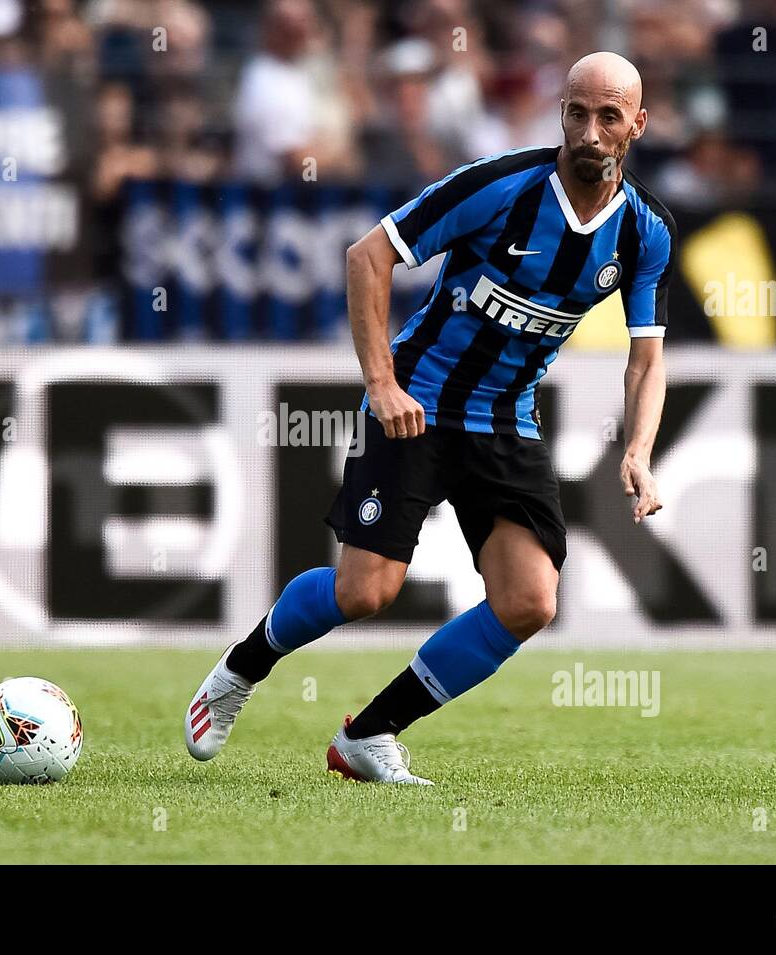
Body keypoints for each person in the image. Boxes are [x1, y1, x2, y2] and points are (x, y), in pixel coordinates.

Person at [184, 52, 676, 784]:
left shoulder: (644, 233)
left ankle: (367, 735)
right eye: (577, 111)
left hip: (506, 419)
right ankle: (239, 669)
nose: (591, 132)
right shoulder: (500, 187)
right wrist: (380, 382)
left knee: (528, 601)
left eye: (610, 117)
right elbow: (368, 256)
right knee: (365, 592)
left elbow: (646, 358)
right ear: (561, 114)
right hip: (419, 398)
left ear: (638, 125)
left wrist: (638, 450)